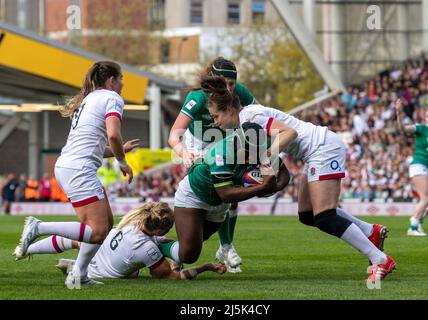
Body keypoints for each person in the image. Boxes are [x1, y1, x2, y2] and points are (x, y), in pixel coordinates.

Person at [200, 75, 397, 283]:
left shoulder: (250, 117)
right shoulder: (244, 124)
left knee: (324, 216)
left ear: (229, 109)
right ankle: (370, 231)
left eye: (216, 116)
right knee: (307, 215)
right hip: (314, 151)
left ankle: (380, 259)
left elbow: (290, 133)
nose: (215, 122)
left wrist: (265, 155)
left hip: (323, 147)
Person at [14, 61, 139, 288]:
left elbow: (96, 147)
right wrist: (123, 161)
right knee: (99, 230)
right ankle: (38, 227)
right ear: (111, 80)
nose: (122, 85)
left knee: (104, 225)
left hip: (70, 166)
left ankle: (78, 276)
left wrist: (121, 150)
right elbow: (113, 135)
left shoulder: (89, 99)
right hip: (78, 170)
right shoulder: (112, 98)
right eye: (121, 80)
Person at [168, 57, 257, 272]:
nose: (228, 88)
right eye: (223, 83)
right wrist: (185, 153)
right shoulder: (197, 97)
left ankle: (225, 246)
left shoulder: (241, 93)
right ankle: (180, 250)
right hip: (197, 143)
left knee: (230, 195)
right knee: (200, 193)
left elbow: (256, 119)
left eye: (232, 84)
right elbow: (174, 135)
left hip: (225, 140)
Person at [160, 123, 290, 270]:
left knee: (200, 238)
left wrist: (274, 187)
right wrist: (262, 188)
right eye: (248, 152)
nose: (251, 157)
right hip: (195, 194)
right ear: (237, 143)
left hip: (219, 202)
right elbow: (226, 194)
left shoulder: (259, 144)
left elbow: (284, 171)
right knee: (188, 256)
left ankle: (178, 249)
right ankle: (159, 245)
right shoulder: (220, 153)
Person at [14, 202, 226, 281]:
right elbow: (171, 277)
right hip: (103, 273)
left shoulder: (133, 221)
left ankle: (28, 249)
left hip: (102, 254)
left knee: (81, 240)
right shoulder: (148, 249)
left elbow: (157, 240)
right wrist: (205, 267)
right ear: (161, 227)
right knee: (134, 272)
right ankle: (76, 269)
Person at [395, 99, 428, 236]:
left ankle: (418, 217)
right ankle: (413, 228)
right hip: (418, 165)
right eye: (427, 116)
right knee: (425, 198)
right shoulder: (420, 128)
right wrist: (398, 113)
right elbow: (402, 129)